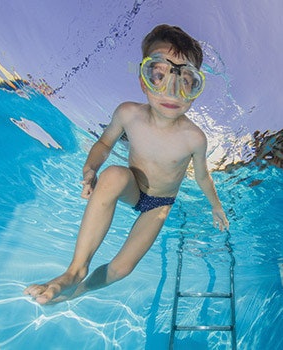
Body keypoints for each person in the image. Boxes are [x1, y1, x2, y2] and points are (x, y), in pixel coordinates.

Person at [24, 24, 229, 305]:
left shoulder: (194, 138)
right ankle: (74, 271)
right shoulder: (128, 114)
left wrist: (216, 206)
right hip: (132, 186)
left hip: (158, 204)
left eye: (185, 80)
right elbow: (105, 144)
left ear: (196, 88)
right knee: (113, 175)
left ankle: (79, 291)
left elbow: (204, 177)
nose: (172, 91)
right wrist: (90, 169)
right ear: (144, 81)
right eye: (159, 75)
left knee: (122, 268)